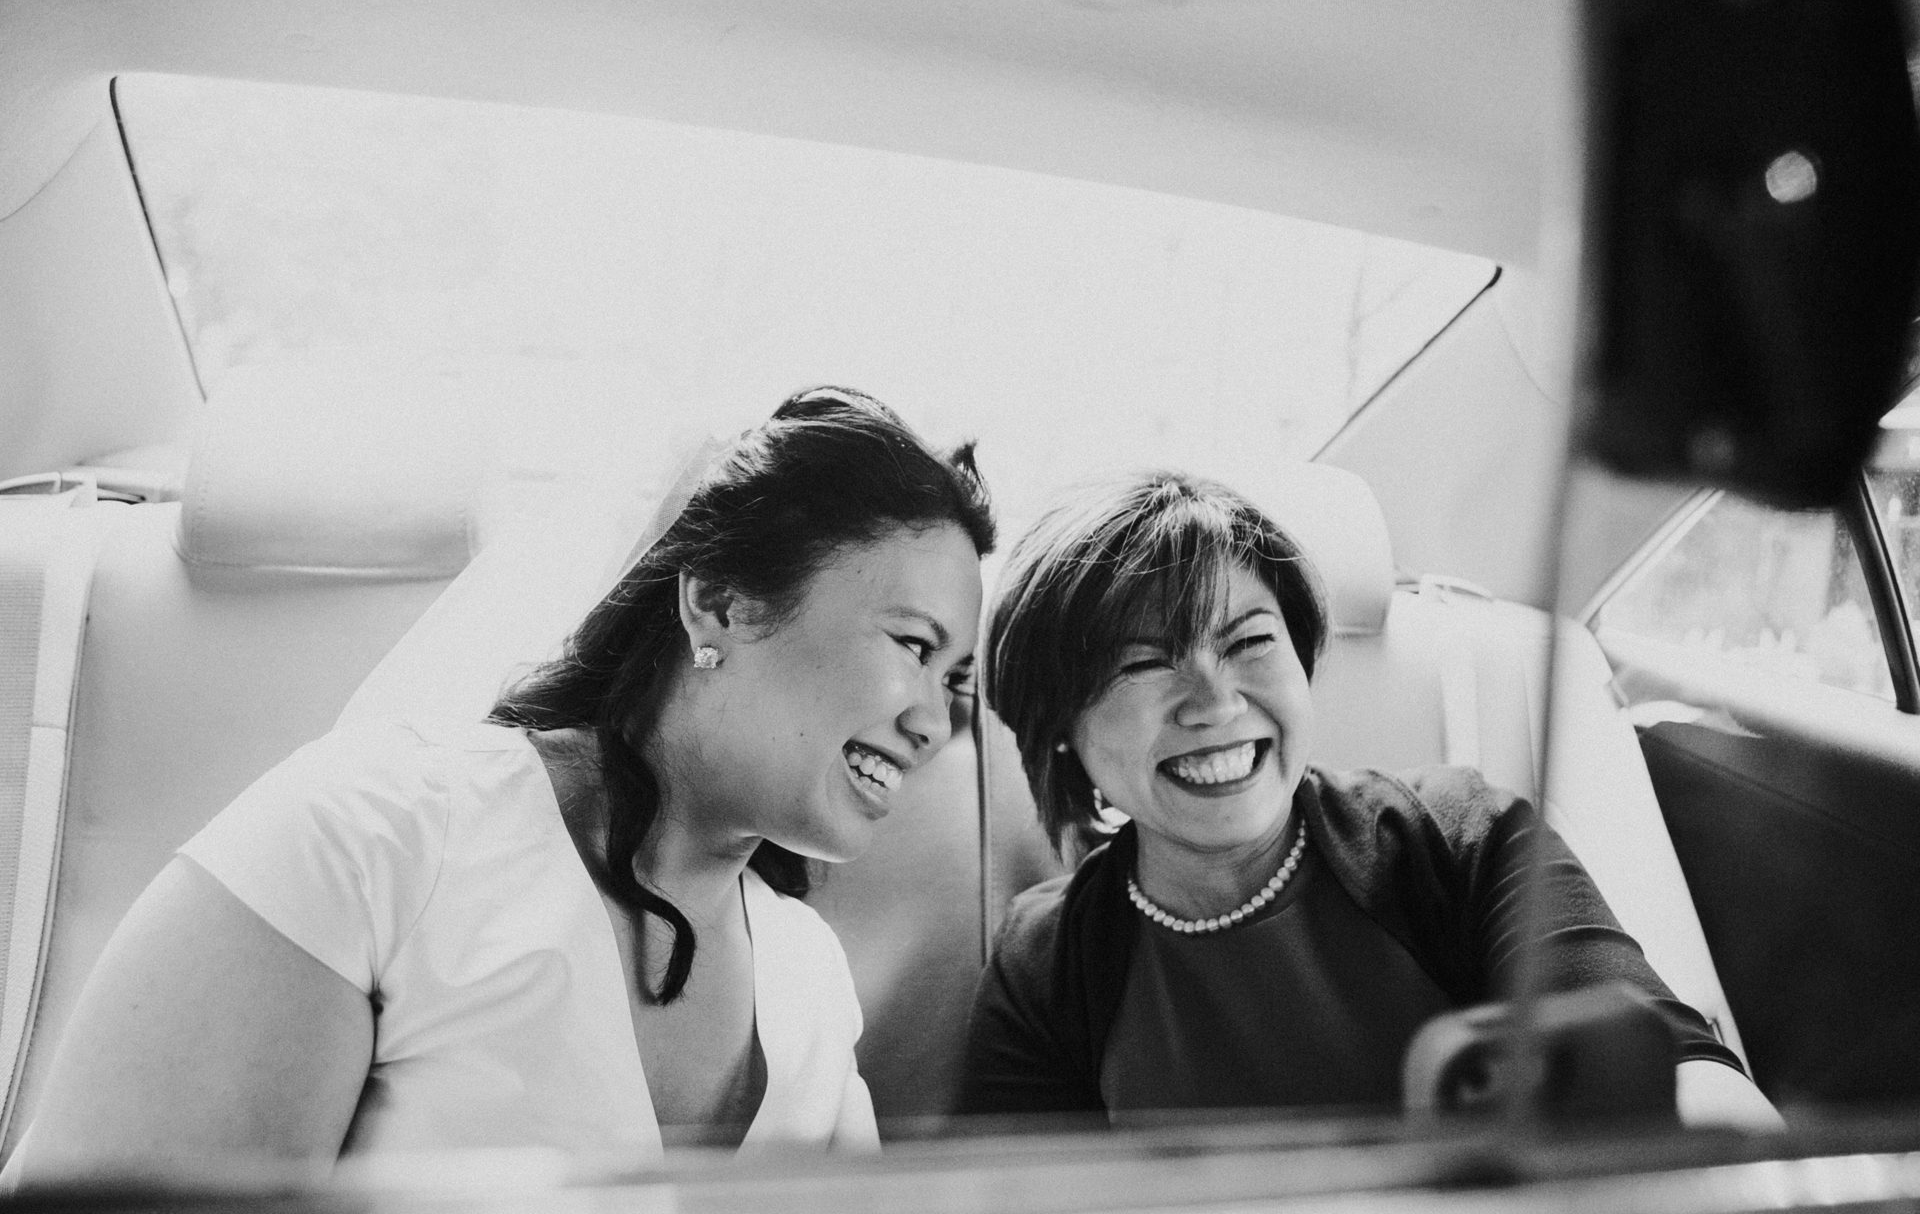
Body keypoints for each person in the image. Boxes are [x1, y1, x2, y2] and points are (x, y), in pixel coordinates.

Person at [7, 387, 994, 1177]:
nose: (937, 714)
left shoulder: (809, 978)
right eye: (912, 644)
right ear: (719, 602)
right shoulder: (373, 842)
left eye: (956, 676)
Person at [958, 470, 1779, 1128]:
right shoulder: (1047, 965)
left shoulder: (1462, 841)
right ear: (1060, 723)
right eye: (1144, 663)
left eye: (1248, 641)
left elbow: (1669, 1070)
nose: (1213, 702)